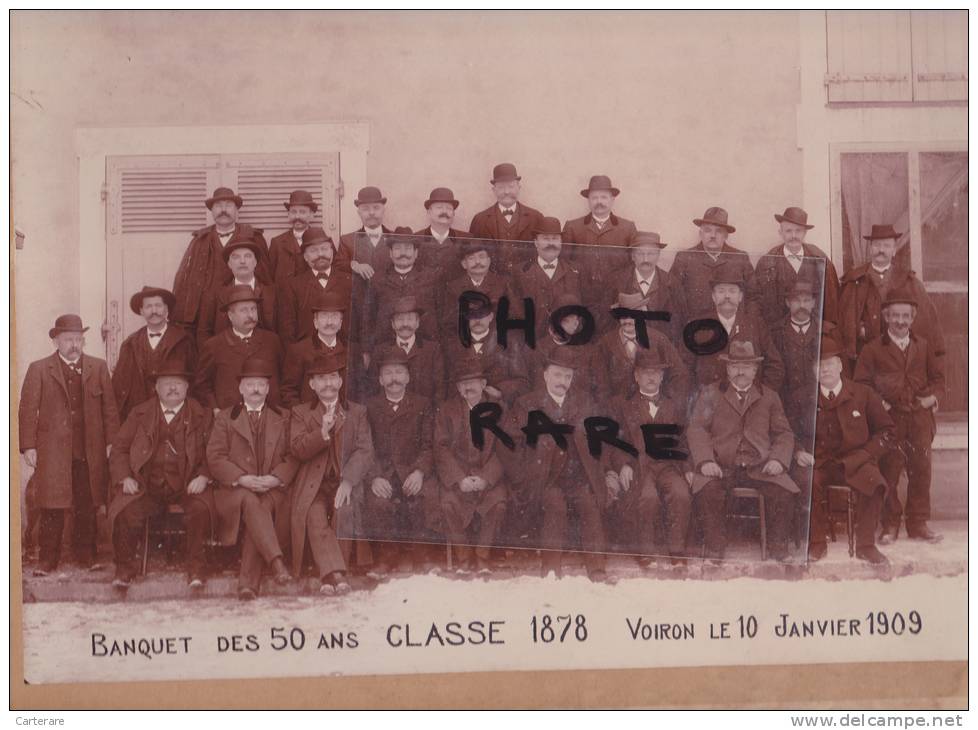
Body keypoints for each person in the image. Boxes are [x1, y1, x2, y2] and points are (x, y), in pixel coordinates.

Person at [19, 314, 120, 574]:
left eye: (78, 339)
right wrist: (29, 446)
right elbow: (27, 410)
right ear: (56, 342)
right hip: (54, 450)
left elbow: (109, 409)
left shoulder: (97, 367)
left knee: (87, 501)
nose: (74, 345)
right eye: (68, 340)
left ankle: (87, 556)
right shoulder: (39, 369)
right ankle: (47, 560)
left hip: (90, 449)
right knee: (52, 504)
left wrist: (111, 443)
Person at [687, 340, 798, 562]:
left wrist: (777, 459)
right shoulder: (711, 394)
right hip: (723, 466)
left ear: (755, 370)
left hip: (759, 467)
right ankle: (714, 549)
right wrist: (706, 461)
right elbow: (697, 429)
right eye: (735, 366)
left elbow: (784, 434)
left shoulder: (769, 396)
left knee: (782, 492)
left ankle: (778, 550)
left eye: (746, 367)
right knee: (708, 490)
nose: (740, 372)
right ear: (728, 369)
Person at [509, 348, 614, 583]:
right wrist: (524, 476)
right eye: (557, 375)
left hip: (578, 477)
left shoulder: (584, 403)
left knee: (590, 504)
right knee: (555, 505)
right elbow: (512, 445)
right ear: (545, 375)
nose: (562, 382)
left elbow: (600, 441)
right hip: (545, 479)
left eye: (567, 377)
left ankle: (597, 571)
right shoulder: (527, 404)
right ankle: (551, 571)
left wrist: (604, 472)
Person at [107, 360, 214, 588]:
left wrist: (203, 476)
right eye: (166, 384)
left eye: (178, 383)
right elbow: (119, 448)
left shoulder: (200, 414)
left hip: (187, 485)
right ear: (156, 388)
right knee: (126, 511)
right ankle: (124, 571)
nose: (172, 388)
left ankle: (196, 570)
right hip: (147, 486)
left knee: (200, 510)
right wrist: (125, 477)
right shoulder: (140, 413)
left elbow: (214, 451)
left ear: (187, 387)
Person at [854, 290, 946, 544]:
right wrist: (878, 404)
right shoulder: (873, 349)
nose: (900, 321)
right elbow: (860, 384)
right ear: (886, 317)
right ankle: (890, 524)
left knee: (921, 469)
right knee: (889, 470)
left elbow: (939, 379)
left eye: (906, 316)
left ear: (913, 318)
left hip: (919, 419)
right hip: (889, 420)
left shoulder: (923, 346)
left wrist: (931, 398)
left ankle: (917, 524)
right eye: (895, 315)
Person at [206, 358, 297, 600]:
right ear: (240, 388)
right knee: (251, 502)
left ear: (268, 388)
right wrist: (241, 478)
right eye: (250, 384)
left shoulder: (285, 417)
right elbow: (215, 458)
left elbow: (294, 456)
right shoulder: (225, 418)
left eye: (260, 384)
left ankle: (248, 585)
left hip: (272, 489)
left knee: (260, 507)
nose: (255, 389)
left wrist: (275, 479)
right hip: (236, 491)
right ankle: (276, 563)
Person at [798, 337, 893, 564]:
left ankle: (865, 545)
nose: (824, 369)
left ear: (840, 365)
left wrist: (867, 454)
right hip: (819, 462)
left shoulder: (863, 394)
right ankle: (817, 543)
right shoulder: (805, 398)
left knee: (876, 484)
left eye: (829, 363)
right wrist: (798, 451)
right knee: (805, 480)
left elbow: (887, 431)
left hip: (855, 461)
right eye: (818, 365)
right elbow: (791, 432)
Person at [288, 353, 374, 594]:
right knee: (314, 516)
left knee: (344, 511)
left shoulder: (356, 412)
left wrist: (348, 482)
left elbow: (365, 450)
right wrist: (322, 433)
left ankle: (329, 576)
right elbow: (297, 448)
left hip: (343, 482)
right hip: (313, 485)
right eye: (321, 378)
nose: (328, 383)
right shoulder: (301, 413)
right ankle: (337, 576)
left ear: (340, 382)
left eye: (333, 377)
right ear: (311, 384)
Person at [608, 349, 691, 565]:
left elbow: (683, 441)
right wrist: (624, 464)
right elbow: (615, 441)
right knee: (647, 497)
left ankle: (677, 551)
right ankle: (645, 552)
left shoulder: (673, 405)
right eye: (646, 372)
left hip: (667, 466)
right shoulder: (622, 405)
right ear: (636, 376)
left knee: (681, 493)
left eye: (656, 373)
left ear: (662, 377)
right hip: (639, 466)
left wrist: (689, 468)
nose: (651, 377)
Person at [363, 351, 438, 576]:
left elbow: (429, 445)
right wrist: (374, 476)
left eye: (399, 372)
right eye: (388, 373)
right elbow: (365, 447)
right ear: (380, 380)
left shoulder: (422, 404)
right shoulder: (369, 407)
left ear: (408, 377)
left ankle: (422, 557)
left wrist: (419, 472)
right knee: (378, 504)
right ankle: (386, 558)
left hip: (412, 470)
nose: (393, 378)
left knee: (426, 496)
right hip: (383, 473)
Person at [435, 358, 510, 574]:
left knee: (498, 504)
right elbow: (441, 448)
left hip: (488, 476)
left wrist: (486, 477)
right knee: (447, 503)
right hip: (460, 477)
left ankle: (482, 556)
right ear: (458, 388)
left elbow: (505, 447)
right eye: (463, 384)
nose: (469, 387)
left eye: (474, 382)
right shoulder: (446, 410)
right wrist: (459, 479)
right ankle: (464, 559)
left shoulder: (499, 409)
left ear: (484, 385)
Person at [838, 224, 945, 371]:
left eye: (887, 246)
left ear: (894, 251)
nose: (881, 250)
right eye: (877, 245)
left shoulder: (910, 282)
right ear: (870, 248)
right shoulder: (854, 281)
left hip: (899, 359)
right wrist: (860, 330)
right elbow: (844, 321)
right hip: (865, 358)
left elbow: (926, 323)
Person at [171, 187, 268, 335]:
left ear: (237, 210)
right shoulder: (199, 240)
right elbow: (184, 280)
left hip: (244, 306)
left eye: (228, 205)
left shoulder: (253, 237)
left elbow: (266, 278)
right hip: (207, 314)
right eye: (218, 206)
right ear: (212, 211)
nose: (223, 210)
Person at [687, 270, 785, 392]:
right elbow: (685, 369)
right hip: (710, 404)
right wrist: (701, 400)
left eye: (732, 291)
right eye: (721, 291)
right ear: (713, 296)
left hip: (747, 404)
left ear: (740, 297)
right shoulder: (697, 327)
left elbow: (775, 366)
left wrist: (759, 397)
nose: (727, 296)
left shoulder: (756, 324)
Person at [194, 286, 285, 411]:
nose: (250, 315)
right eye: (244, 310)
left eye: (253, 309)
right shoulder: (214, 345)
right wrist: (215, 409)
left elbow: (285, 378)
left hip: (269, 416)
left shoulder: (272, 341)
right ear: (230, 315)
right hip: (230, 418)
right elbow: (202, 385)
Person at [112, 286, 196, 420]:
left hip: (175, 415)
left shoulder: (183, 341)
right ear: (142, 311)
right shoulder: (130, 344)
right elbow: (119, 387)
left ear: (167, 309)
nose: (154, 311)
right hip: (140, 417)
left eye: (158, 306)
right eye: (148, 307)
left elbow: (194, 380)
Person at [749, 207, 840, 326]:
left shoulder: (819, 259)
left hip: (812, 333)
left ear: (805, 233)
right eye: (788, 231)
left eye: (798, 231)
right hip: (777, 334)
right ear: (780, 233)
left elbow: (832, 300)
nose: (793, 236)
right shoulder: (767, 262)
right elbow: (756, 302)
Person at [595, 292, 688, 402]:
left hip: (651, 407)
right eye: (623, 315)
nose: (627, 320)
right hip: (617, 410)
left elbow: (679, 374)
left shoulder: (658, 339)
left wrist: (665, 402)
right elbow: (600, 383)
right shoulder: (606, 343)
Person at [441, 296, 529, 407]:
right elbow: (445, 384)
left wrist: (500, 391)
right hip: (463, 409)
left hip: (498, 407)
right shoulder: (453, 346)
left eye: (482, 315)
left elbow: (523, 383)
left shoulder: (509, 343)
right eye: (472, 316)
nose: (477, 321)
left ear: (491, 317)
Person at [670, 206, 756, 319]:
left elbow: (754, 297)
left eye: (719, 231)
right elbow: (673, 299)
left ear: (726, 236)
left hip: (731, 329)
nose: (713, 236)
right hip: (695, 327)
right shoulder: (684, 258)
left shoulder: (740, 259)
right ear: (700, 233)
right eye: (707, 230)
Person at [511, 216, 589, 341]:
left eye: (555, 239)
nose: (551, 243)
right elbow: (515, 312)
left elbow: (586, 308)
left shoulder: (577, 271)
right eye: (545, 239)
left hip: (566, 343)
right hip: (531, 344)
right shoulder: (520, 272)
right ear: (536, 242)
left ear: (561, 242)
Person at [195, 235, 278, 347]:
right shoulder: (215, 294)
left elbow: (282, 331)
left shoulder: (272, 293)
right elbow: (204, 332)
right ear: (229, 264)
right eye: (236, 257)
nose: (242, 261)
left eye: (248, 256)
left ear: (255, 262)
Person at [603, 231, 685, 342]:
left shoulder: (671, 283)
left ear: (658, 255)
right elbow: (607, 320)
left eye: (651, 254)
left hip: (659, 348)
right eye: (640, 254)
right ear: (632, 256)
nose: (645, 259)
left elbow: (678, 323)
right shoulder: (617, 281)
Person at [278, 227, 353, 345]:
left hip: (343, 354)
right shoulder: (292, 286)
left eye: (324, 249)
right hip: (308, 357)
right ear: (305, 257)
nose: (320, 254)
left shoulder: (350, 282)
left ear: (332, 251)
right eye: (313, 251)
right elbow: (287, 331)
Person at [468, 162, 546, 274]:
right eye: (501, 187)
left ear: (519, 188)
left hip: (526, 283)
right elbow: (472, 255)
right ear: (494, 190)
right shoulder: (480, 220)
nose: (507, 192)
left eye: (511, 186)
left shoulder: (536, 217)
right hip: (493, 283)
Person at [365, 295, 446, 403]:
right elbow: (373, 389)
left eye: (410, 319)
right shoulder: (380, 351)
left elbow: (440, 389)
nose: (405, 324)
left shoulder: (432, 350)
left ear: (417, 323)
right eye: (400, 319)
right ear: (392, 324)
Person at [280, 290, 348, 407]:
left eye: (334, 316)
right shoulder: (299, 351)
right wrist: (303, 417)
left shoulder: (350, 351)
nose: (329, 322)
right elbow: (288, 392)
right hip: (309, 421)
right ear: (315, 322)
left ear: (341, 323)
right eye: (324, 316)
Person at [440, 238, 514, 343]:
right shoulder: (453, 288)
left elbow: (512, 318)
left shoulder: (503, 284)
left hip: (496, 343)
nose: (477, 262)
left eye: (482, 257)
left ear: (489, 261)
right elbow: (449, 323)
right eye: (471, 258)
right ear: (464, 264)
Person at [561, 175, 637, 276]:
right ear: (588, 200)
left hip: (617, 290)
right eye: (594, 198)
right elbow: (564, 262)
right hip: (582, 289)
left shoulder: (628, 228)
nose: (599, 202)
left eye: (604, 197)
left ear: (612, 200)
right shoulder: (572, 227)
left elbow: (635, 262)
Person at [336, 186, 396, 279]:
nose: (371, 212)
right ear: (359, 213)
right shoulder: (347, 241)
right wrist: (355, 265)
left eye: (376, 208)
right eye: (365, 209)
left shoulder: (396, 238)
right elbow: (338, 265)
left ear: (383, 210)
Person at [414, 187, 471, 276]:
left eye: (449, 208)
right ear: (429, 212)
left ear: (453, 213)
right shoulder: (415, 239)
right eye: (439, 207)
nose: (444, 211)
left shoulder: (467, 239)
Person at [268, 189, 318, 284]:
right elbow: (269, 277)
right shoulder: (277, 243)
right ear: (288, 215)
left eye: (302, 212)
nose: (297, 216)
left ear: (312, 215)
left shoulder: (321, 240)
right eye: (293, 212)